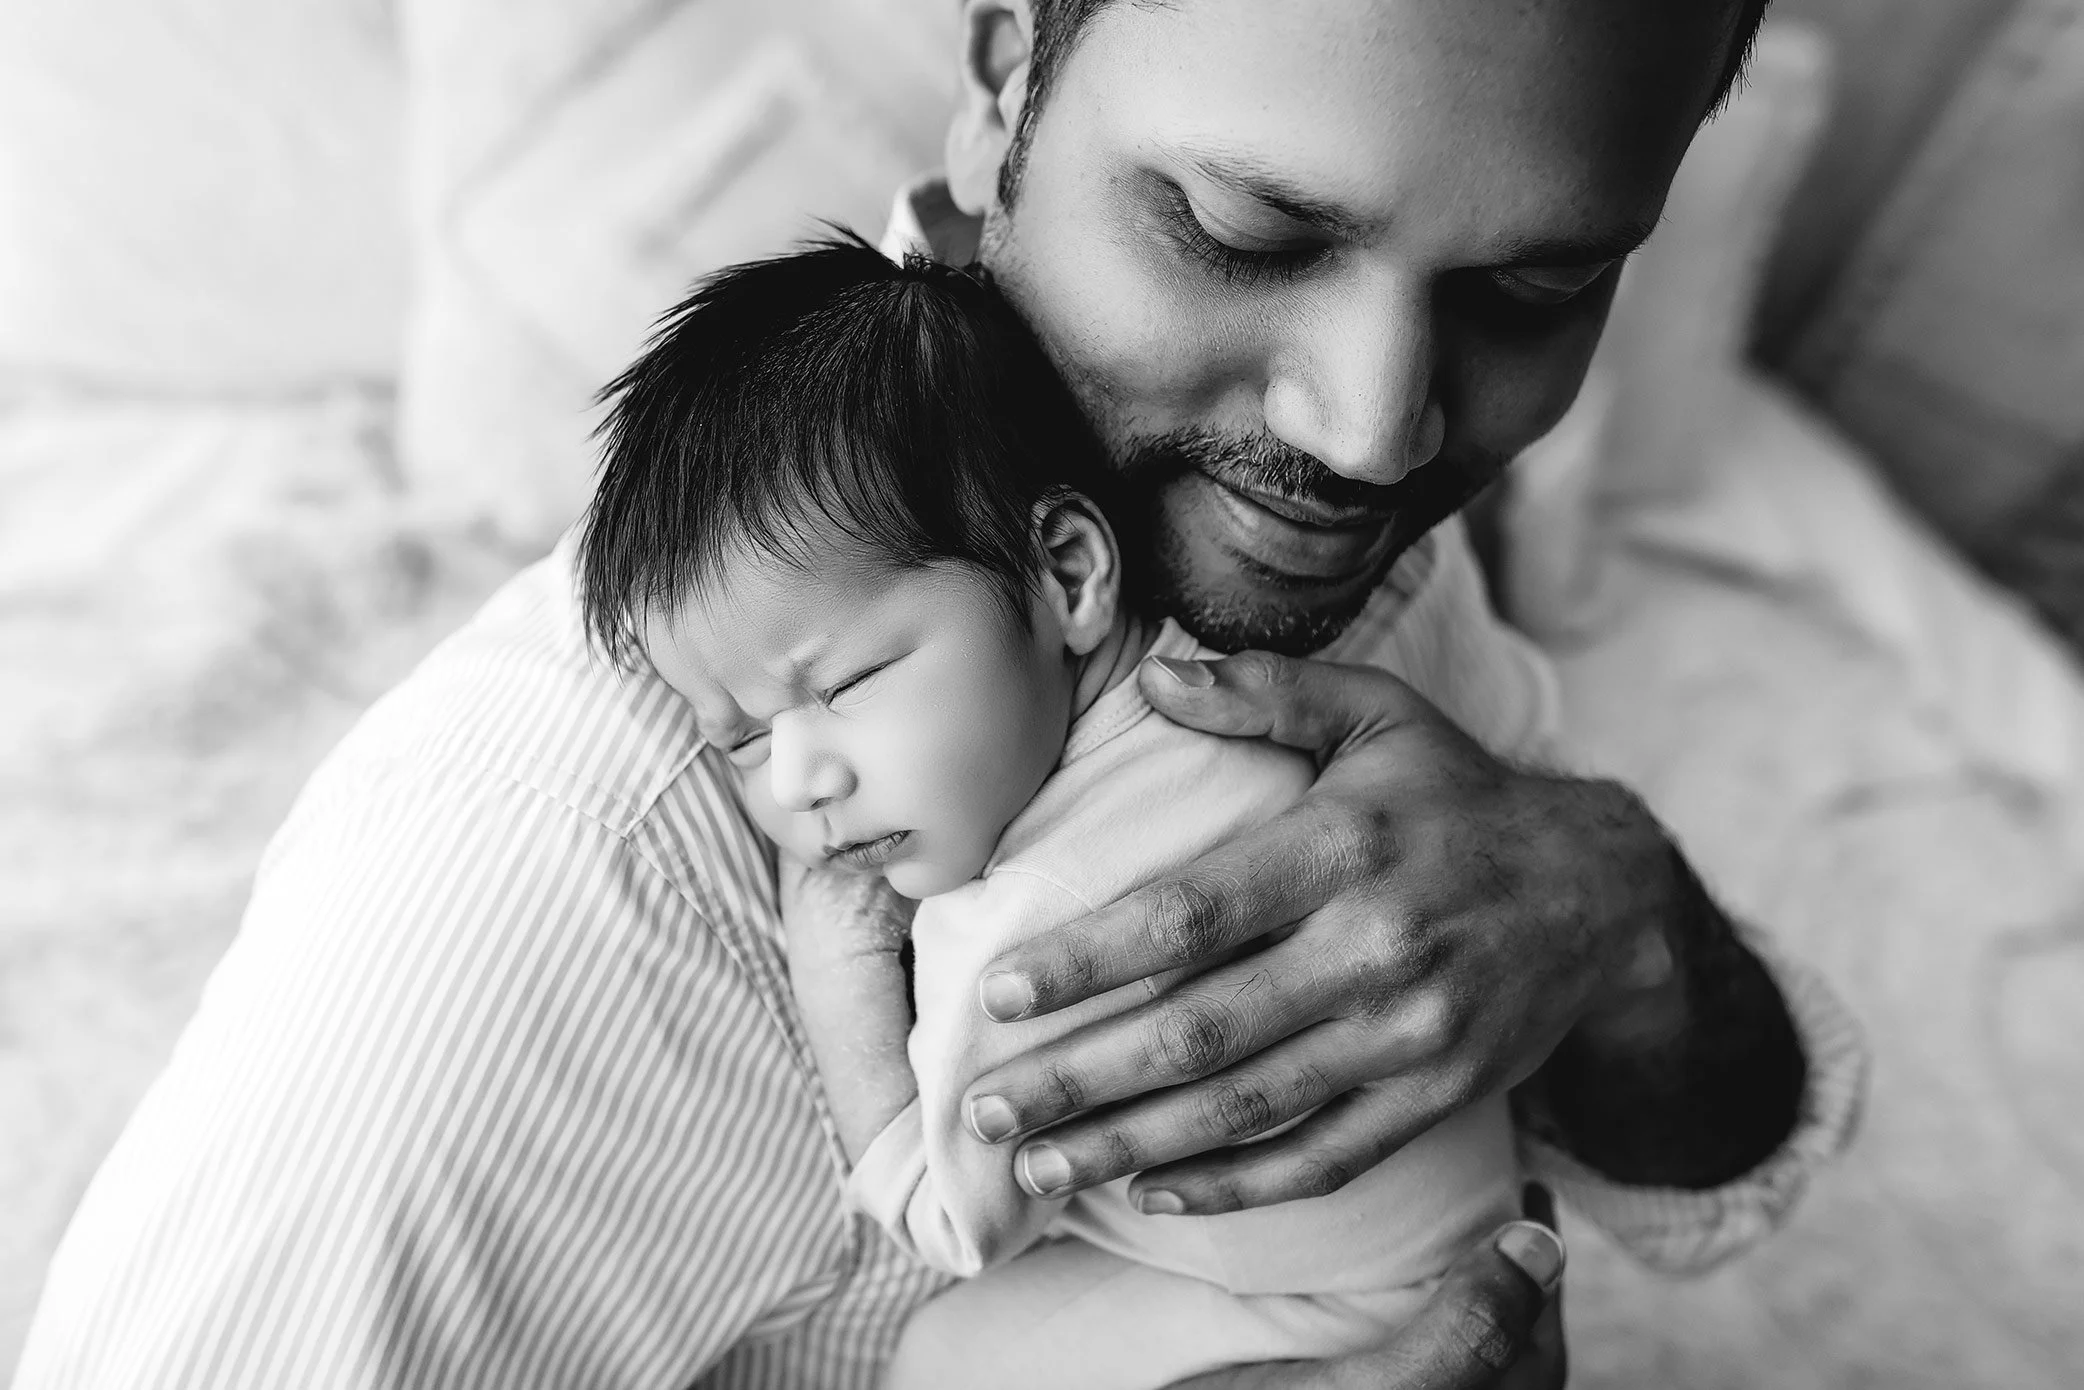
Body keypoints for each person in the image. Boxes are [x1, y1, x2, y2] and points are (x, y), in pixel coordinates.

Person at [14, 2, 1865, 1388]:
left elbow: (1699, 1159)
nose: (1370, 425)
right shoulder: (549, 891)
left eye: (1533, 285)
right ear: (1004, 75)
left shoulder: (1306, 538)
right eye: (1241, 230)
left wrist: (1615, 912)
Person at [580, 235, 1538, 1387]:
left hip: (1347, 1323)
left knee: (940, 1360)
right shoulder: (1213, 682)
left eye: (842, 686)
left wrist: (835, 965)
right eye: (737, 737)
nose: (796, 781)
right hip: (1446, 1232)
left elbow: (950, 1222)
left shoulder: (1031, 931)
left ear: (1069, 574)